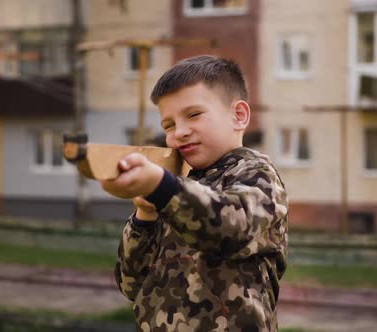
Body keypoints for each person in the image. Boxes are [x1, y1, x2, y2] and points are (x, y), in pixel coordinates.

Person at [101, 55, 288, 331]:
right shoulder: (177, 188)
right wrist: (145, 216)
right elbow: (131, 283)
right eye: (168, 125)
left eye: (193, 115)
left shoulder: (256, 174)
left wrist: (160, 185)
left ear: (238, 116)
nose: (180, 132)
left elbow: (227, 229)